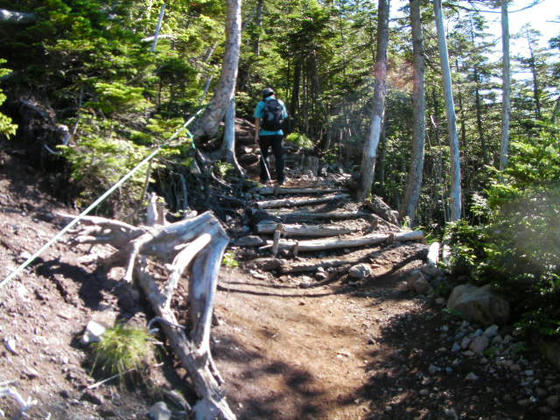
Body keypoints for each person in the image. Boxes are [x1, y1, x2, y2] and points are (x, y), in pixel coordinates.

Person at [254, 87, 289, 185]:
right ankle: (281, 179)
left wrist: (256, 135)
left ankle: (264, 179)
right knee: (279, 156)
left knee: (264, 155)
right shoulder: (280, 103)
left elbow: (257, 119)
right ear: (273, 94)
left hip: (264, 134)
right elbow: (284, 116)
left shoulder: (261, 104)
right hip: (278, 133)